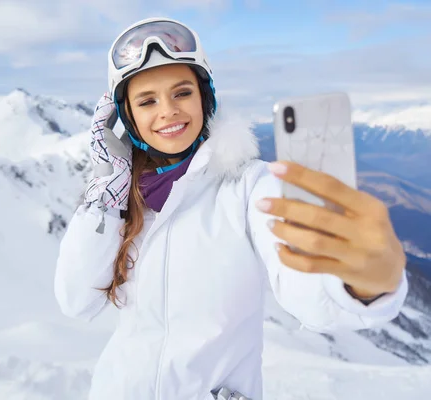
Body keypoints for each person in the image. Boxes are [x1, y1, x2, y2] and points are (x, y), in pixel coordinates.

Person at [54, 17, 408, 400]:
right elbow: (77, 301)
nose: (168, 110)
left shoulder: (248, 187)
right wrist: (105, 197)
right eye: (147, 100)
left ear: (205, 97)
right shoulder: (123, 201)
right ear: (128, 117)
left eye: (182, 92)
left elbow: (308, 293)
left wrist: (364, 282)